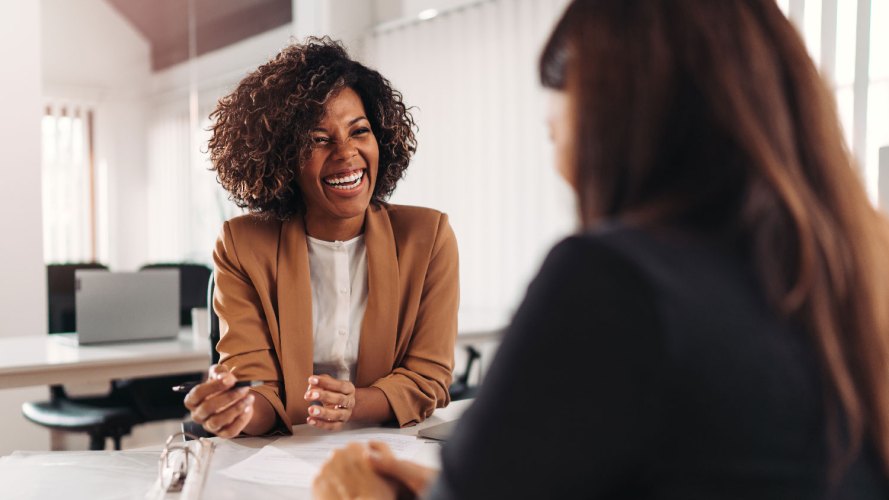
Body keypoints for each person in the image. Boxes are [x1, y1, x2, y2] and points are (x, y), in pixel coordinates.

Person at [313, 0, 889, 498]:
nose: (548, 124)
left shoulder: (616, 281)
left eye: (559, 88)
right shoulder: (848, 272)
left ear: (617, 105)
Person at [183, 37, 459, 437]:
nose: (346, 153)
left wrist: (353, 404)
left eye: (359, 131)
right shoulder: (242, 244)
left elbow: (427, 378)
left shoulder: (428, 237)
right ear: (282, 157)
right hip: (282, 455)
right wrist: (236, 409)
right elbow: (258, 389)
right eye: (318, 139)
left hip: (388, 446)